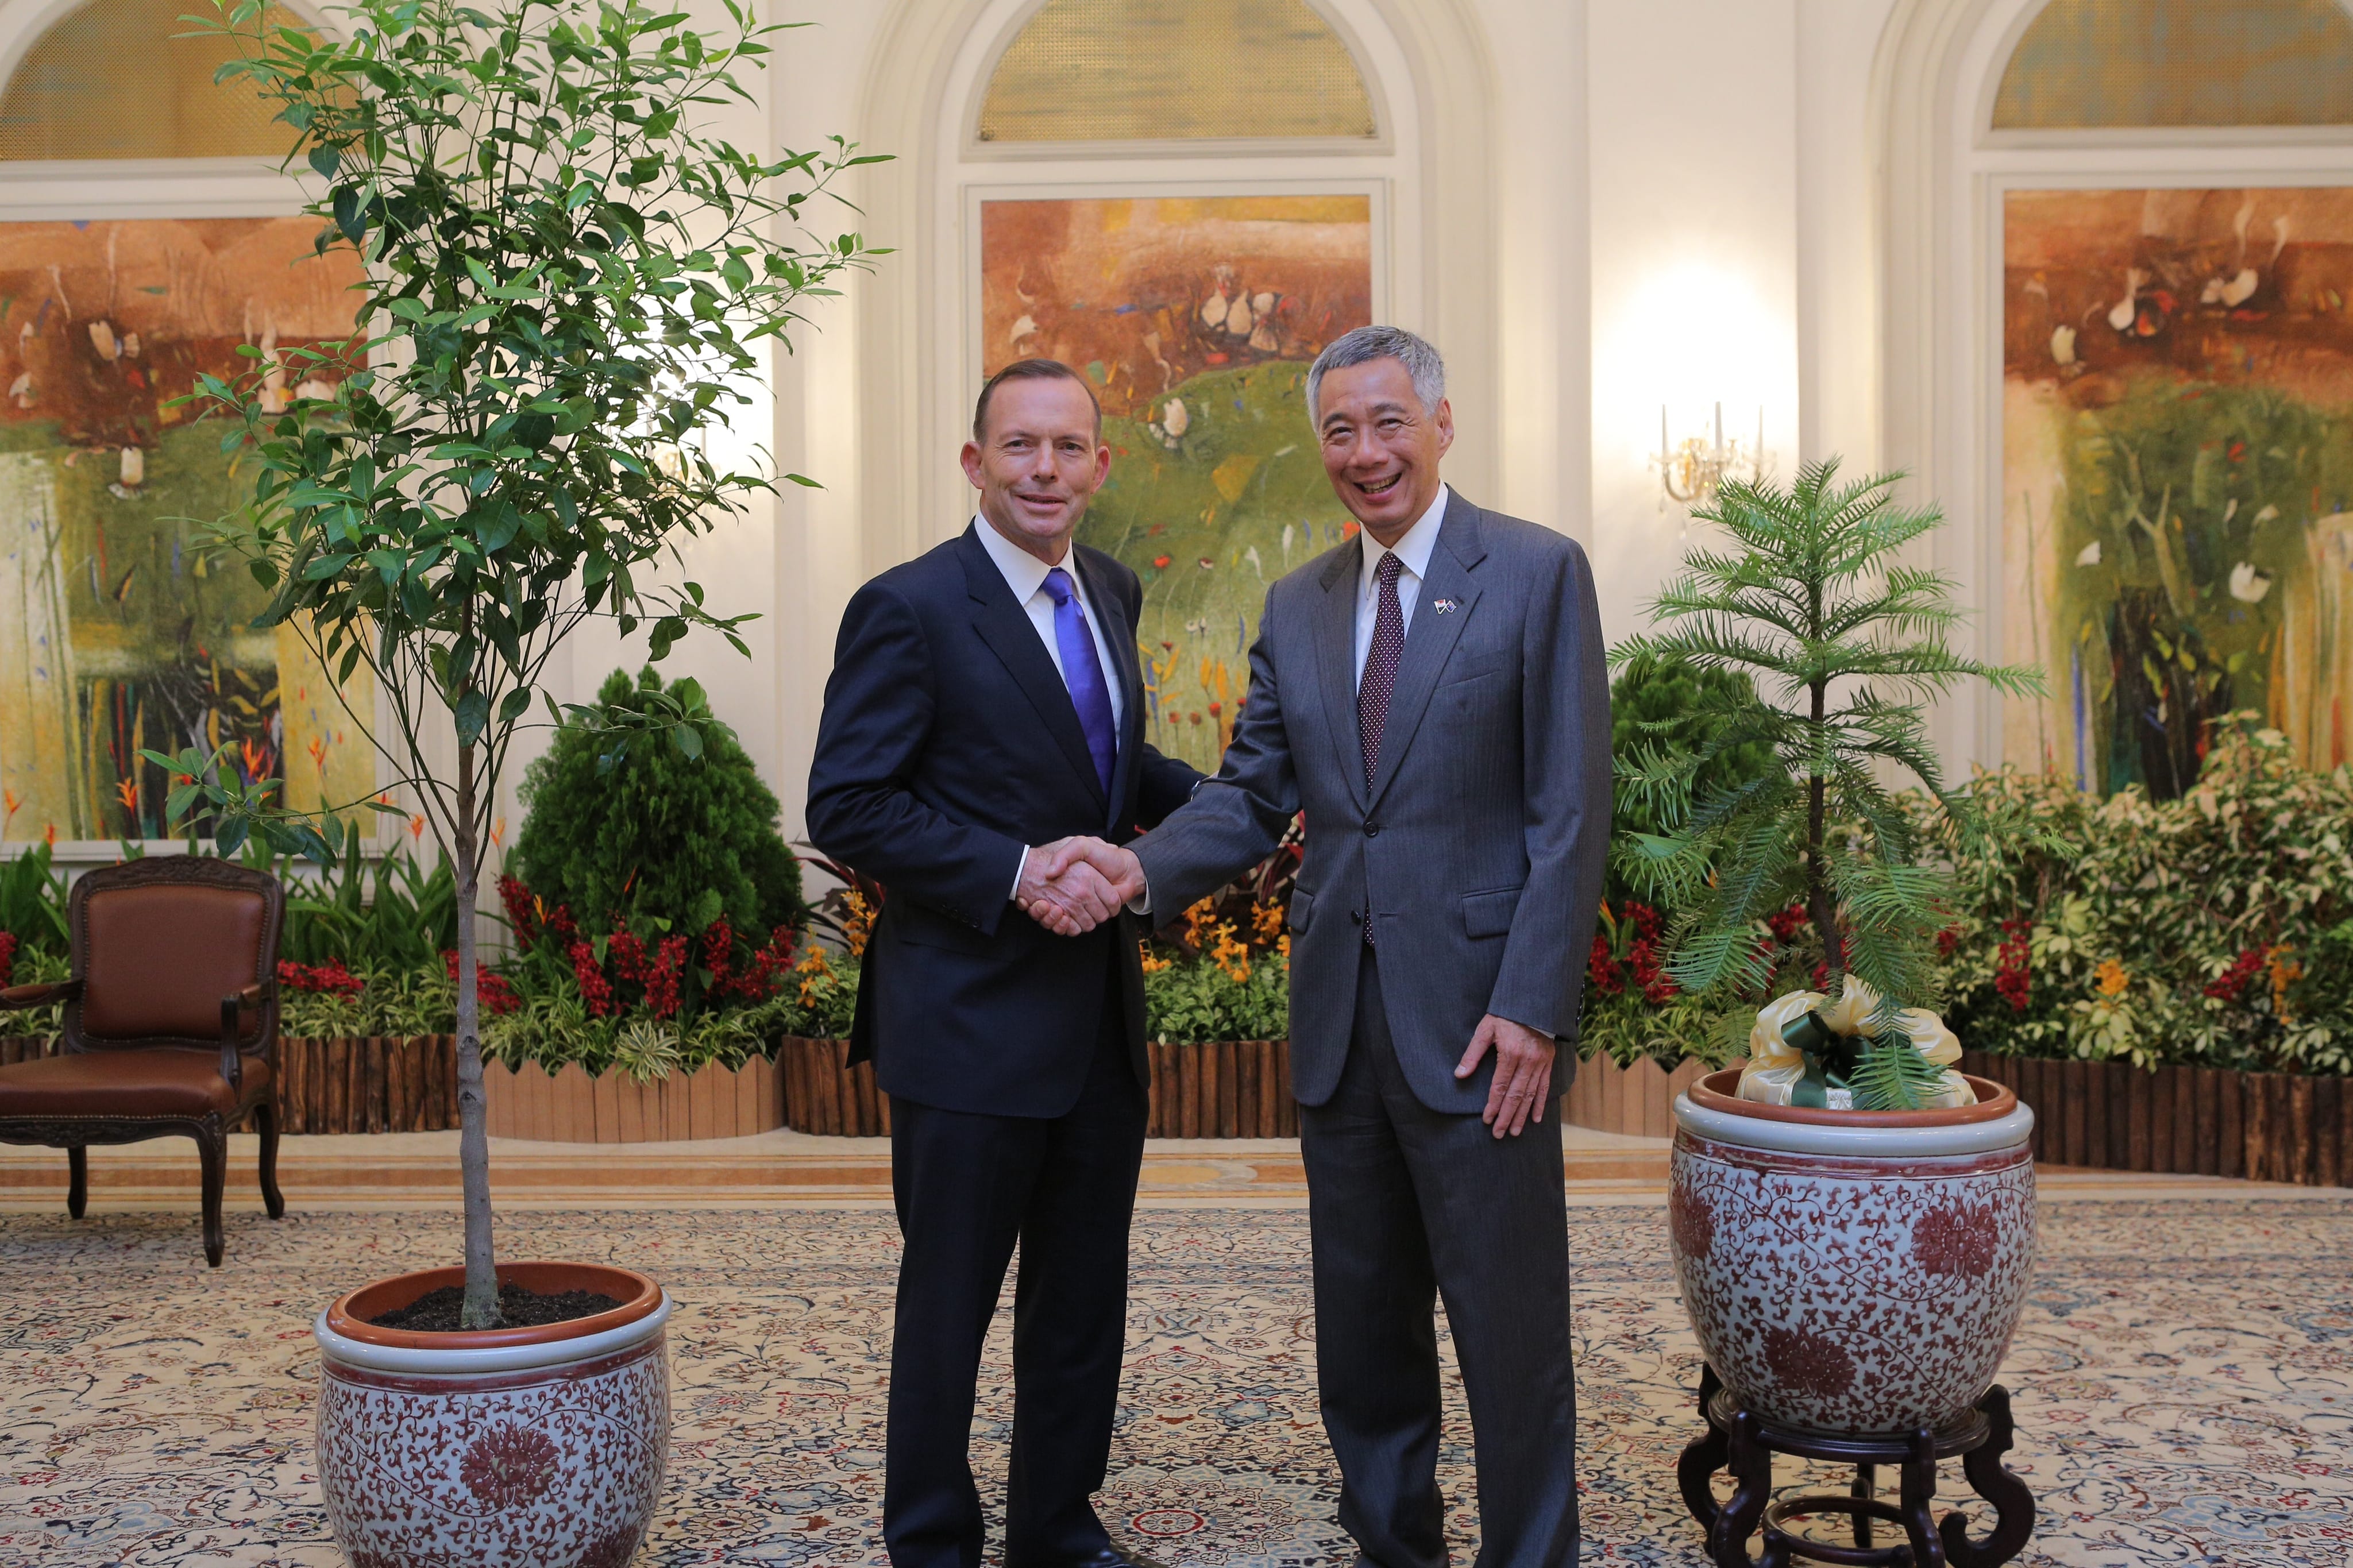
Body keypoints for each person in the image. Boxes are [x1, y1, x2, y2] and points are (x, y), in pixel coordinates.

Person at [1032, 326, 1610, 1568]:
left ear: (1442, 423)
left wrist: (1533, 1005)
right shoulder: (1298, 605)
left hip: (1479, 1027)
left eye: (1388, 422)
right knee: (1361, 1338)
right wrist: (1138, 869)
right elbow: (1248, 797)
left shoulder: (1534, 572)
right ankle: (1394, 1550)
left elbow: (1568, 811)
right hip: (1340, 1027)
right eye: (1340, 430)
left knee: (1509, 1340)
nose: (1365, 452)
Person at [805, 358, 1203, 1568]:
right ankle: (930, 1540)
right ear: (973, 462)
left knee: (1081, 1302)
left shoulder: (1113, 592)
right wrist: (1017, 869)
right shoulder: (909, 606)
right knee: (949, 1311)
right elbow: (849, 804)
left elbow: (1114, 772)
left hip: (1093, 1024)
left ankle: (1055, 1525)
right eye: (1019, 447)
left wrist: (1243, 807)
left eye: (1068, 448)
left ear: (1100, 464)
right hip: (964, 1025)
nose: (1045, 470)